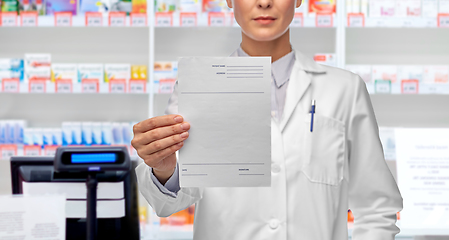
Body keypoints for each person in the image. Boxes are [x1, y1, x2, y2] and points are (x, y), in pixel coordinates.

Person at [132, 0, 403, 239]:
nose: (264, 2)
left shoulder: (343, 89)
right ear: (229, 0)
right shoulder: (199, 89)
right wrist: (164, 168)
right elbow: (167, 204)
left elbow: (377, 207)